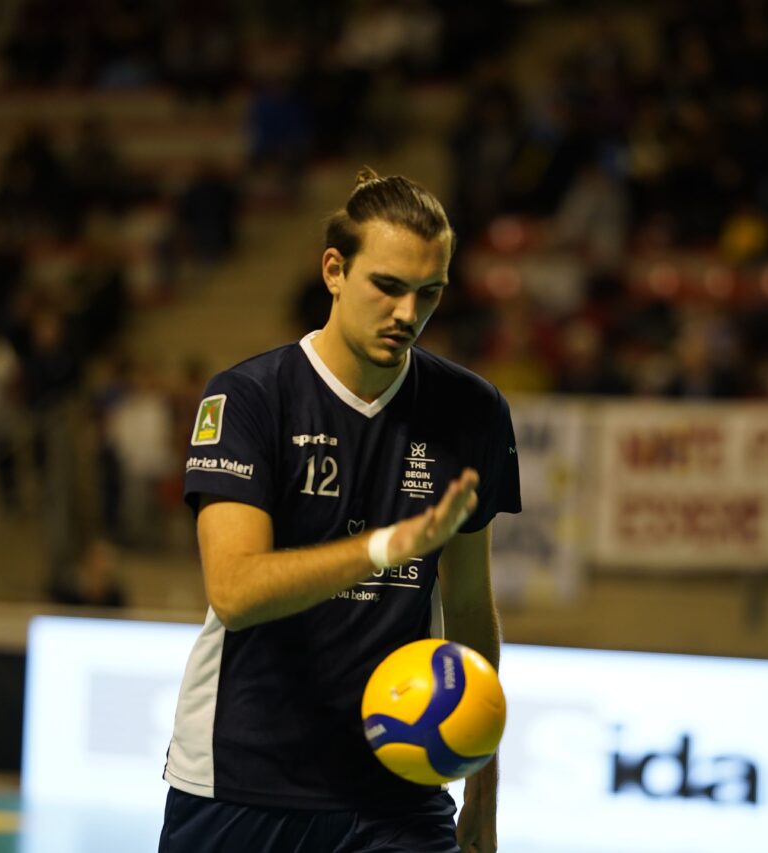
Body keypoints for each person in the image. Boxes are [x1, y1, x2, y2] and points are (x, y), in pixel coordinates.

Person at [160, 169, 521, 853]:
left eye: (430, 293)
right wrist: (388, 546)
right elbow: (234, 591)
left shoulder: (472, 410)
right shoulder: (248, 399)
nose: (408, 315)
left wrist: (483, 780)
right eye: (387, 286)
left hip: (400, 790)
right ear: (334, 270)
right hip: (243, 777)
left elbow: (471, 608)